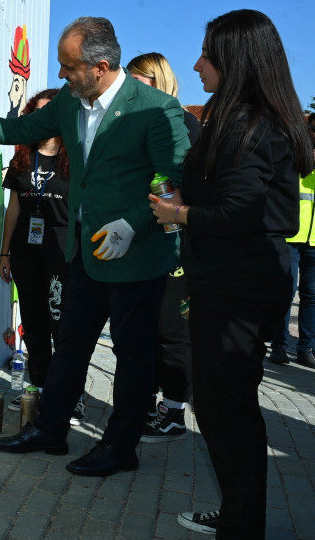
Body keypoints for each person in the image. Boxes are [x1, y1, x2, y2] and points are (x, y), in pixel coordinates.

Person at [0, 16, 190, 478]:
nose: (62, 75)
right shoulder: (71, 102)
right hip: (87, 253)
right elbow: (19, 130)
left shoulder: (154, 109)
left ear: (101, 66)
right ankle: (50, 430)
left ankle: (120, 447)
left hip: (137, 258)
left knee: (132, 358)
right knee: (70, 345)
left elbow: (174, 179)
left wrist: (133, 225)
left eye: (69, 67)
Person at [149, 9, 314, 536]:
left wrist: (179, 214)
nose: (196, 63)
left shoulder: (249, 122)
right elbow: (230, 194)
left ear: (234, 59)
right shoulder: (244, 116)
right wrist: (185, 195)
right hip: (235, 281)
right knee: (225, 407)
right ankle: (240, 513)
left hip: (237, 286)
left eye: (206, 53)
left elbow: (241, 210)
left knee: (227, 412)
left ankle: (242, 524)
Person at [126, 52, 201, 443]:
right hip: (146, 241)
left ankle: (174, 412)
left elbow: (195, 185)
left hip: (178, 244)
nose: (130, 88)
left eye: (138, 80)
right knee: (148, 329)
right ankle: (152, 404)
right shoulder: (142, 121)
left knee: (173, 330)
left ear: (158, 81)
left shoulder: (184, 123)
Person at [0, 88, 85, 424]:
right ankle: (40, 386)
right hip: (25, 251)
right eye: (39, 112)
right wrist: (5, 252)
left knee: (62, 322)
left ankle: (70, 395)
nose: (45, 118)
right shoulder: (22, 157)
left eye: (52, 112)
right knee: (33, 322)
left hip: (62, 250)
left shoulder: (75, 156)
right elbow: (14, 207)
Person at [271, 112, 315, 368]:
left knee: (311, 295)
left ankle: (306, 347)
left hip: (314, 238)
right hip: (292, 233)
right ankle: (279, 344)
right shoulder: (296, 153)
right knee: (286, 291)